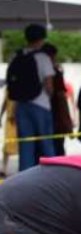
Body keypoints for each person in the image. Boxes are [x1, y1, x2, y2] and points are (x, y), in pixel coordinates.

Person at [6, 24, 55, 171]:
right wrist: (50, 96)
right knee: (46, 143)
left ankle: (25, 175)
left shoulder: (16, 55)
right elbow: (49, 84)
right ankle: (53, 175)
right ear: (41, 39)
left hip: (21, 104)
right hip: (41, 105)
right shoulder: (43, 57)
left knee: (26, 145)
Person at [41, 43, 73, 157]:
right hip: (56, 117)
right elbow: (61, 98)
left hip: (43, 116)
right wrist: (67, 121)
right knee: (57, 148)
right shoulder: (55, 73)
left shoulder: (34, 72)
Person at [0, 91, 16, 178]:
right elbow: (5, 102)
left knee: (22, 146)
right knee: (7, 145)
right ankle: (3, 168)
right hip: (10, 120)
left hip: (18, 119)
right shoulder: (8, 88)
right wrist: (1, 115)